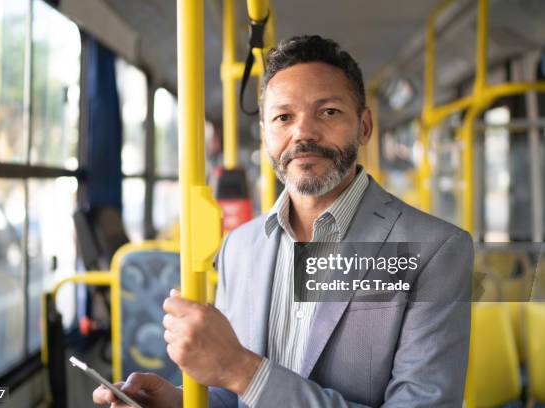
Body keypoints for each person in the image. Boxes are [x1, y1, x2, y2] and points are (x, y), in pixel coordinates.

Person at [93, 34, 473, 408]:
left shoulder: (435, 250)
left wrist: (243, 370)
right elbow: (236, 396)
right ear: (265, 135)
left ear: (364, 127)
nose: (303, 133)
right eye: (283, 117)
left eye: (328, 112)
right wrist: (178, 404)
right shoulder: (239, 247)